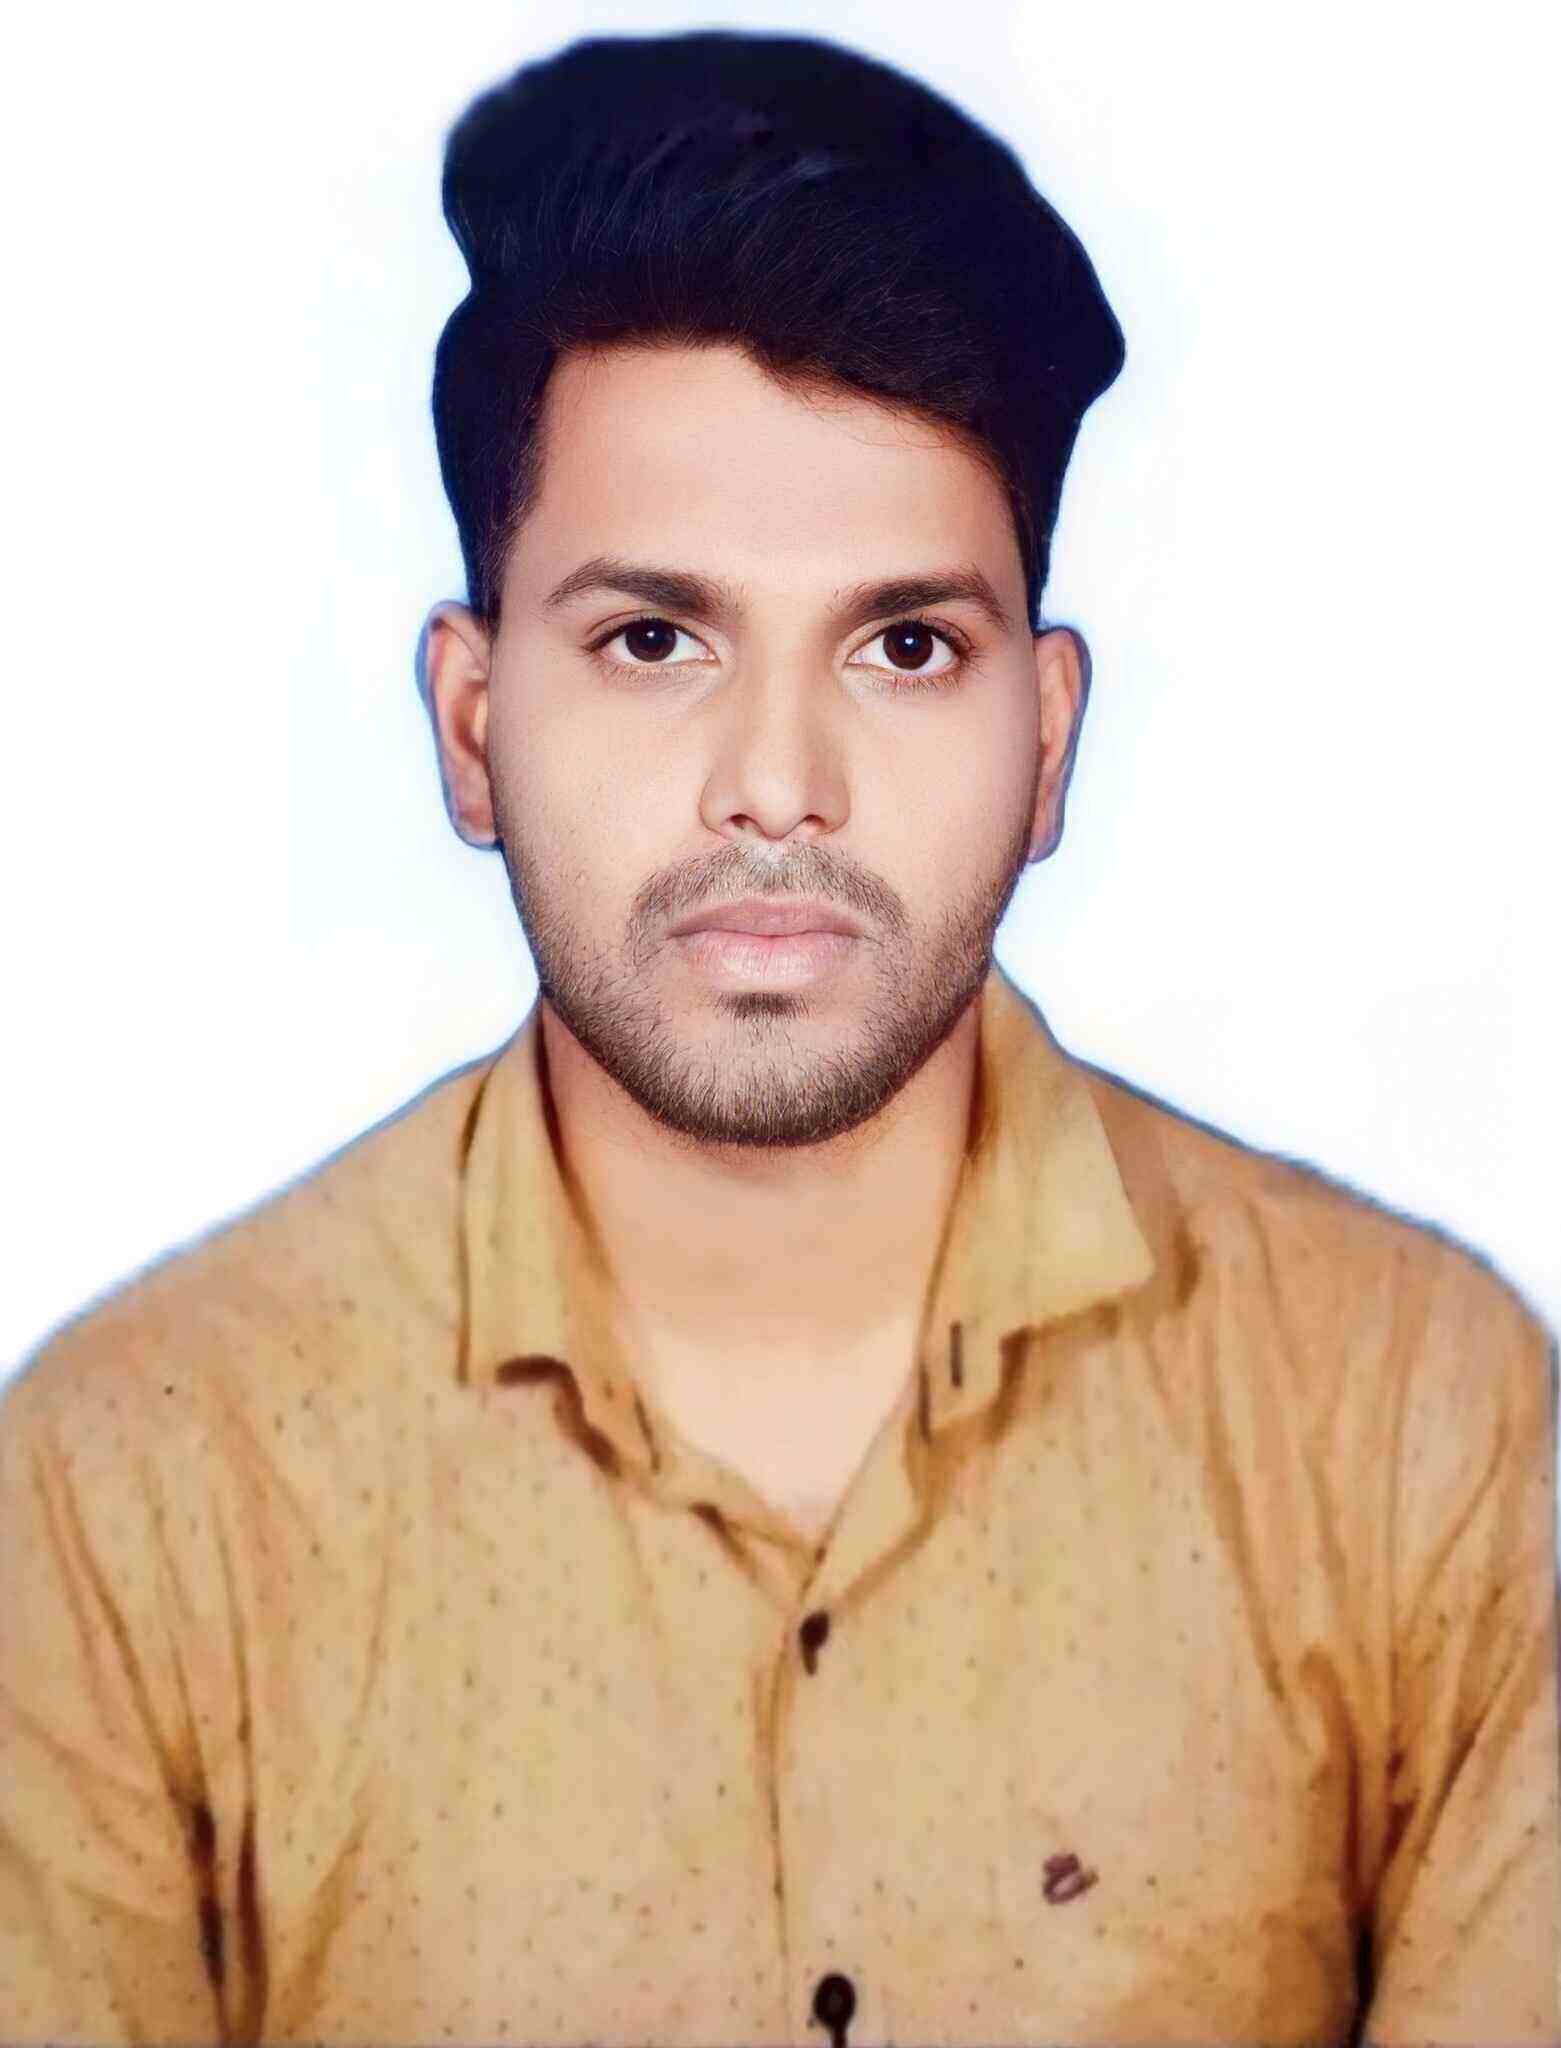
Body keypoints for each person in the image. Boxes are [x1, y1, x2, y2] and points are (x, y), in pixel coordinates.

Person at [2, 26, 1556, 2047]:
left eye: (903, 646)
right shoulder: (131, 1494)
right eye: (653, 639)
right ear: (471, 725)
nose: (776, 785)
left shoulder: (1416, 1420)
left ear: (1045, 740)